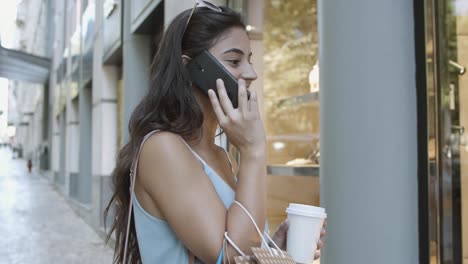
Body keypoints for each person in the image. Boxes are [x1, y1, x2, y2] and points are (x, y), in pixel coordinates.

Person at [104, 2, 326, 263]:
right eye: (234, 60)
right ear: (193, 68)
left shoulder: (220, 154)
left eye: (249, 60)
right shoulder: (163, 148)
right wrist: (253, 151)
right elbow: (229, 255)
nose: (251, 73)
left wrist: (272, 248)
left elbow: (241, 247)